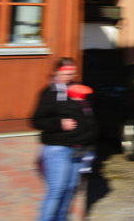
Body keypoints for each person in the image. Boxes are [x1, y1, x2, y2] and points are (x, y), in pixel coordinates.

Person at [32, 57, 97, 221]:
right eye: (66, 73)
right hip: (57, 148)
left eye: (72, 73)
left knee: (70, 189)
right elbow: (36, 121)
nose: (69, 76)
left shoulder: (76, 90)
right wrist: (59, 123)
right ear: (56, 72)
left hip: (78, 149)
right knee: (57, 190)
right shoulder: (49, 93)